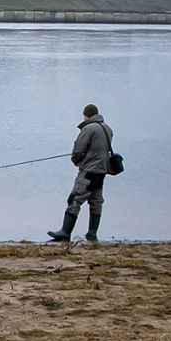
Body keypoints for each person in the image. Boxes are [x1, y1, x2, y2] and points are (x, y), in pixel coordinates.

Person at [48, 104, 114, 242]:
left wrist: (76, 161)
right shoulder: (107, 128)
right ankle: (92, 234)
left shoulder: (88, 128)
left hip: (89, 170)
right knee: (96, 201)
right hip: (102, 171)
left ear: (86, 115)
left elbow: (78, 150)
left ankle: (65, 232)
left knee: (75, 199)